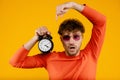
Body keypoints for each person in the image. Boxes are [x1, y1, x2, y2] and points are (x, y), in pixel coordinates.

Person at [9, 1, 106, 80]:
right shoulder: (50, 58)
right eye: (66, 37)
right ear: (61, 40)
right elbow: (15, 62)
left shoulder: (91, 53)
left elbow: (101, 21)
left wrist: (73, 5)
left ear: (82, 38)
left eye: (76, 37)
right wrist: (36, 38)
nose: (71, 41)